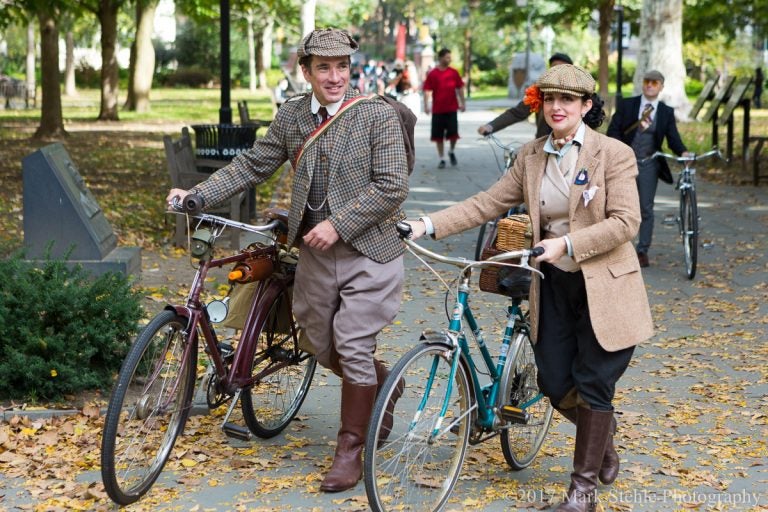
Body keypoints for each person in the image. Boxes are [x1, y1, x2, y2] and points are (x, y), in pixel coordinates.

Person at [165, 28, 409, 493]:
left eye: (342, 67)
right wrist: (197, 195)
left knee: (352, 342)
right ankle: (381, 382)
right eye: (323, 67)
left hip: (370, 250)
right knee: (318, 341)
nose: (334, 77)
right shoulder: (295, 114)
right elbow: (254, 164)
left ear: (350, 68)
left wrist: (340, 223)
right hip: (314, 253)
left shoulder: (375, 115)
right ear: (306, 70)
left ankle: (350, 450)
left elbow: (392, 184)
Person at [404, 64, 653, 511]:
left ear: (586, 106)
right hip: (550, 283)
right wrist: (427, 223)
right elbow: (488, 202)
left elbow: (626, 222)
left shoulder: (613, 154)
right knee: (555, 383)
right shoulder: (531, 156)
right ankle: (603, 441)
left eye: (569, 101)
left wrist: (567, 242)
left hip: (605, 287)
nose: (558, 108)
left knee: (594, 383)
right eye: (550, 99)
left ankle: (582, 494)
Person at [607, 69, 689, 268]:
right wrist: (618, 154)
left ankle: (642, 250)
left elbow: (673, 138)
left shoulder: (666, 112)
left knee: (646, 208)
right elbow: (613, 131)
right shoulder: (628, 105)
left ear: (661, 87)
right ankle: (616, 247)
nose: (650, 85)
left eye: (654, 83)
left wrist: (683, 152)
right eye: (647, 82)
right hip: (624, 163)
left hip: (649, 163)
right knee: (618, 206)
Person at [477, 52, 574, 139]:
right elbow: (517, 113)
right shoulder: (539, 91)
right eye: (554, 68)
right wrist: (490, 126)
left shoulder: (580, 94)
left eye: (562, 68)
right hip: (543, 146)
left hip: (572, 146)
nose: (558, 72)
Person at [423, 48, 466, 168]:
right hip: (438, 110)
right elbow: (427, 90)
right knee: (438, 136)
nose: (449, 59)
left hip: (452, 108)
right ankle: (442, 158)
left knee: (453, 134)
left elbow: (460, 88)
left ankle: (451, 151)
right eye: (447, 57)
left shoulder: (454, 72)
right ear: (441, 58)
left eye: (450, 57)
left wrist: (463, 103)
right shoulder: (433, 73)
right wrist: (426, 106)